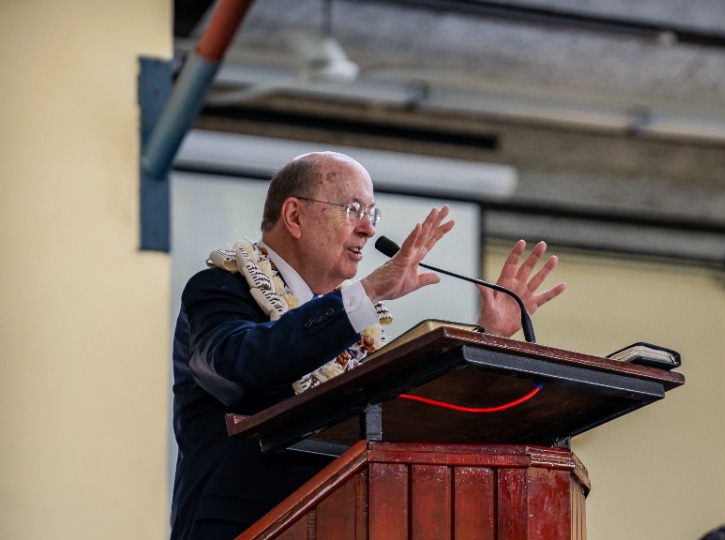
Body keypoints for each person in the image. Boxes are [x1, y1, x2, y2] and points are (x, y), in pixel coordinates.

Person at [170, 151, 566, 539]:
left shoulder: (353, 333)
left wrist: (487, 339)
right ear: (294, 216)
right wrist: (370, 290)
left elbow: (409, 409)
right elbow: (243, 368)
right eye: (353, 210)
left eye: (370, 213)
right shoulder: (221, 289)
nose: (368, 230)